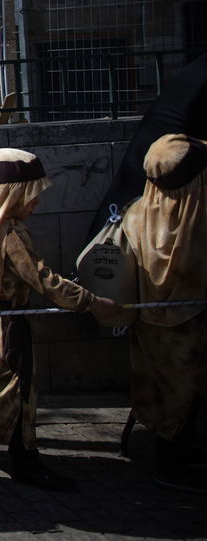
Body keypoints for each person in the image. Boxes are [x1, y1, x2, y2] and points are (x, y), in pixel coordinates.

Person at [0, 147, 119, 490]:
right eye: (30, 195)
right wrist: (91, 302)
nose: (35, 203)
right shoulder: (9, 233)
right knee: (18, 393)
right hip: (6, 327)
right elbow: (43, 279)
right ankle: (26, 461)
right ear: (10, 195)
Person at [118, 133, 207, 493]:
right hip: (187, 328)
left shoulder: (137, 213)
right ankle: (171, 467)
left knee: (162, 391)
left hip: (148, 324)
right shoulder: (196, 219)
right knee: (183, 396)